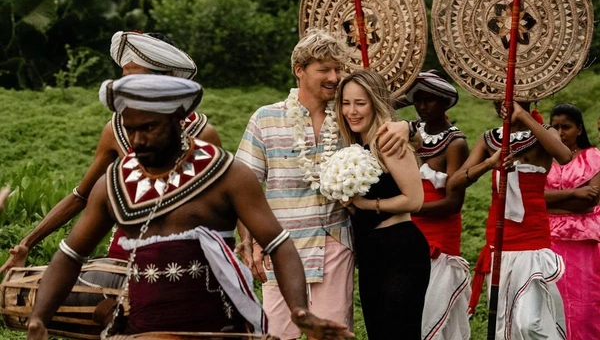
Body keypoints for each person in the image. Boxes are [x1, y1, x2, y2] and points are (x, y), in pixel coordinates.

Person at [26, 75, 353, 340]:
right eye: (129, 129)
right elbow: (71, 255)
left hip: (218, 331)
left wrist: (299, 311)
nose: (136, 141)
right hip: (140, 332)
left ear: (179, 120)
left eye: (149, 128)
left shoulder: (227, 175)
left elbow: (279, 245)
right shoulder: (113, 183)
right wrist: (39, 317)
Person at [235, 29, 410, 340]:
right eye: (324, 69)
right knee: (278, 335)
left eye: (338, 69)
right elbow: (244, 186)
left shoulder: (348, 119)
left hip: (334, 244)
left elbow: (385, 123)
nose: (334, 77)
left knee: (332, 335)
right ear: (299, 70)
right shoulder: (265, 119)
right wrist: (248, 241)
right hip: (280, 246)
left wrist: (405, 126)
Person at [1, 30, 221, 272]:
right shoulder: (115, 130)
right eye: (124, 80)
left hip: (185, 259)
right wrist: (27, 243)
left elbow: (225, 197)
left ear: (166, 80)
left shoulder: (201, 132)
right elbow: (80, 196)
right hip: (124, 256)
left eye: (137, 80)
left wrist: (245, 246)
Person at [448, 101, 572, 340]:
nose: (502, 101)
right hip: (500, 243)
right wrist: (488, 164)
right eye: (497, 96)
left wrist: (523, 116)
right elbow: (454, 183)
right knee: (505, 322)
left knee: (530, 324)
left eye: (510, 96)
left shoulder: (545, 132)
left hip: (533, 242)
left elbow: (564, 156)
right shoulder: (489, 139)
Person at [336, 69, 430, 340]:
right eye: (346, 103)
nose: (352, 111)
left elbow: (415, 199)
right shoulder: (357, 144)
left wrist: (364, 204)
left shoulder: (386, 140)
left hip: (398, 249)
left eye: (360, 103)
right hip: (371, 254)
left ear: (375, 102)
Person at [404, 71, 471, 340]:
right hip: (408, 235)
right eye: (417, 100)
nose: (422, 107)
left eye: (429, 100)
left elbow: (454, 203)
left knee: (436, 312)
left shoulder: (456, 143)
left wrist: (407, 207)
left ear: (445, 102)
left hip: (440, 241)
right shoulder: (409, 133)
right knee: (412, 311)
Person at [544, 103, 600, 340]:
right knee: (550, 302)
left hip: (582, 242)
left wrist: (551, 202)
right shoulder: (543, 159)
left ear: (579, 128)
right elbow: (532, 198)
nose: (560, 132)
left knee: (583, 305)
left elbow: (589, 202)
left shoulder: (594, 157)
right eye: (555, 127)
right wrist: (574, 193)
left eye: (566, 126)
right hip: (547, 240)